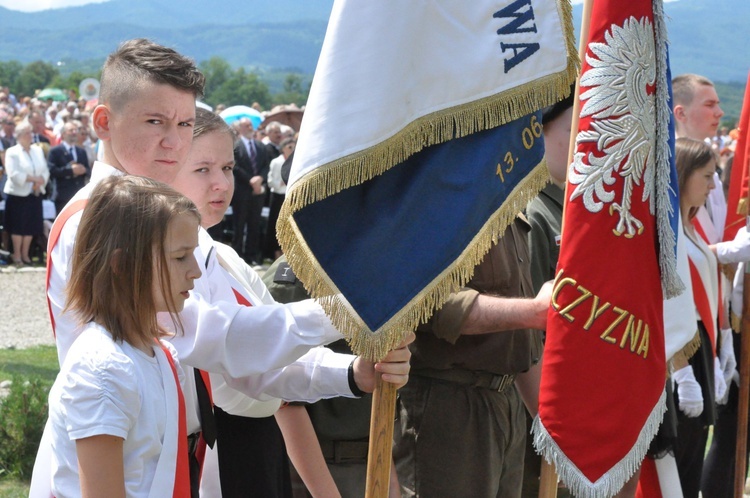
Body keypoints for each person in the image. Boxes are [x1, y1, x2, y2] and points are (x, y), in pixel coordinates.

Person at [33, 38, 412, 497]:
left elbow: (244, 359)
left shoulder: (162, 216)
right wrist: (349, 309)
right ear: (103, 121)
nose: (174, 141)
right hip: (125, 463)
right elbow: (220, 340)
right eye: (155, 122)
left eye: (186, 123)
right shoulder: (99, 223)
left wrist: (350, 374)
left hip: (180, 453)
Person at [49, 175, 201, 497]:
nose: (196, 271)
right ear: (122, 264)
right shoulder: (102, 368)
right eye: (179, 257)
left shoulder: (160, 353)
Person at [392, 214, 551, 497]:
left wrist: (550, 428)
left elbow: (522, 341)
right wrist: (533, 312)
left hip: (506, 402)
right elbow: (427, 301)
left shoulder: (507, 193)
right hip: (450, 407)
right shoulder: (437, 191)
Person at [3, 120, 49, 266]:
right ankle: (17, 255)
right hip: (18, 195)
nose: (31, 135)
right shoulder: (12, 152)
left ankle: (26, 255)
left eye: (31, 132)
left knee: (30, 226)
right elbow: (13, 173)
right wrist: (32, 178)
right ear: (20, 135)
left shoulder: (37, 150)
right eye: (28, 133)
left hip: (34, 194)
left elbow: (45, 170)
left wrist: (41, 180)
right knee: (18, 226)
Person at [231, 116, 269, 265]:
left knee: (254, 224)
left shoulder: (260, 146)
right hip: (242, 191)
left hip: (257, 191)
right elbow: (235, 166)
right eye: (246, 126)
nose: (250, 128)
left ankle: (251, 256)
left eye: (250, 125)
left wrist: (260, 179)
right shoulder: (236, 146)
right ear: (240, 128)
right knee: (239, 224)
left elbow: (266, 165)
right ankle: (237, 256)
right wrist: (250, 180)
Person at [47, 121, 90, 215]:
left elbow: (88, 170)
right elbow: (52, 171)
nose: (74, 132)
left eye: (76, 130)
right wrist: (71, 171)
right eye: (71, 130)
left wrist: (83, 170)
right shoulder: (55, 151)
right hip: (62, 196)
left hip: (79, 196)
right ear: (63, 134)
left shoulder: (81, 151)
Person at [265, 137, 294, 260]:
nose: (292, 150)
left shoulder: (295, 161)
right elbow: (271, 181)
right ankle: (276, 252)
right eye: (290, 147)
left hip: (289, 196)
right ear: (283, 149)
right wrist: (280, 183)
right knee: (276, 225)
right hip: (278, 196)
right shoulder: (277, 162)